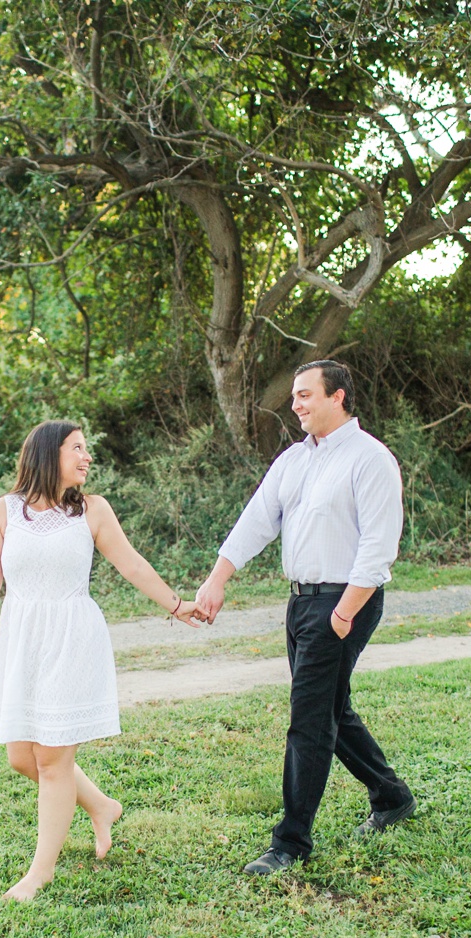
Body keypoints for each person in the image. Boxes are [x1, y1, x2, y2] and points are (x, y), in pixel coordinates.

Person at [0, 419, 201, 900]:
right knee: (21, 756)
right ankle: (102, 805)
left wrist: (177, 605)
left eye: (88, 450)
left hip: (71, 636)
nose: (87, 458)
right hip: (22, 637)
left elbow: (130, 564)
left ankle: (39, 872)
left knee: (52, 757)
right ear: (49, 454)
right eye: (78, 449)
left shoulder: (93, 510)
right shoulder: (3, 511)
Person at [195, 360, 416, 874]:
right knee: (331, 710)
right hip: (301, 602)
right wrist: (217, 577)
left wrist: (343, 614)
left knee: (310, 721)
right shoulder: (293, 460)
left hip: (345, 602)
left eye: (305, 395)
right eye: (295, 396)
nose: (295, 404)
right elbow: (257, 521)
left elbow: (379, 545)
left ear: (337, 397)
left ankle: (290, 844)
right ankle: (391, 796)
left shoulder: (370, 459)